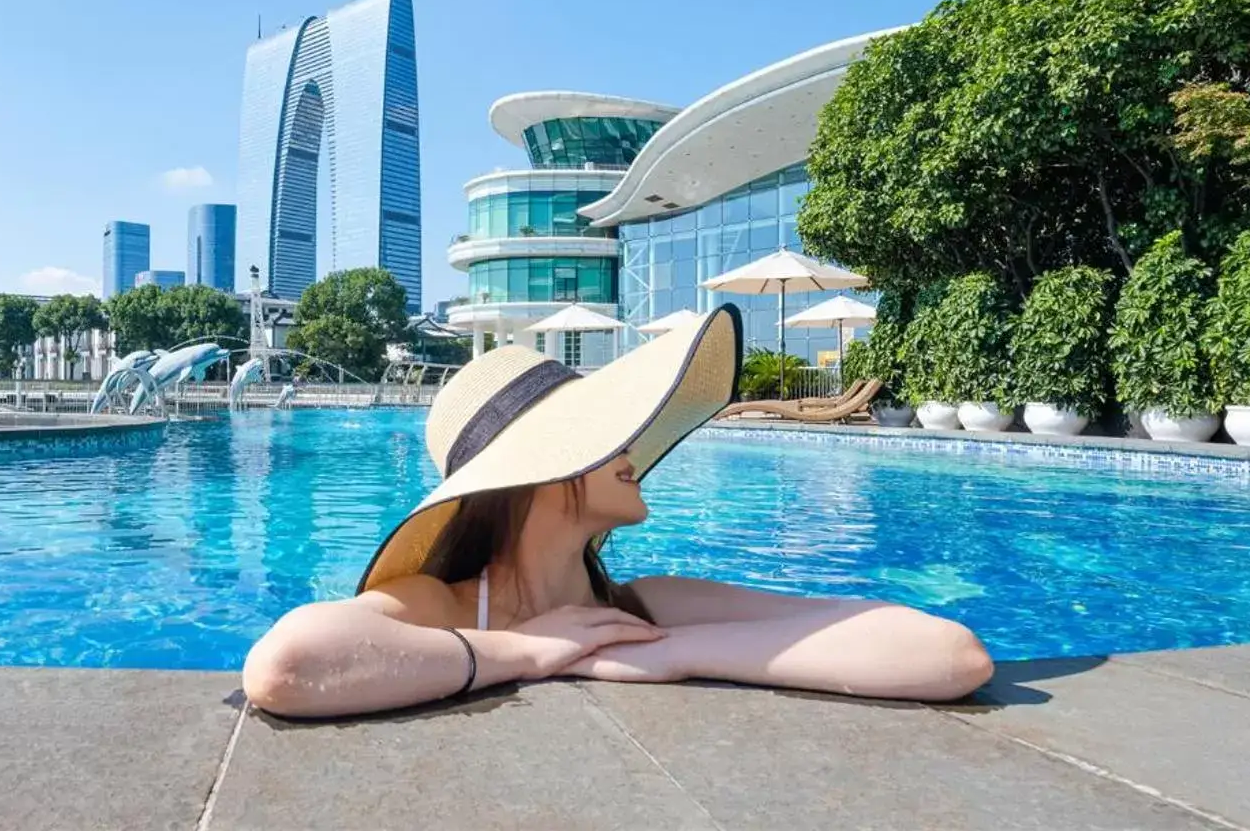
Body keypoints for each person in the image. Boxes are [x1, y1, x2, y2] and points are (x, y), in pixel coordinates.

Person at [243, 305, 994, 719]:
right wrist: (524, 652)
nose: (631, 444)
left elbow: (947, 654)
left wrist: (677, 653)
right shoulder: (440, 604)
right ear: (541, 471)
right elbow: (285, 666)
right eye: (605, 435)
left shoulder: (652, 608)